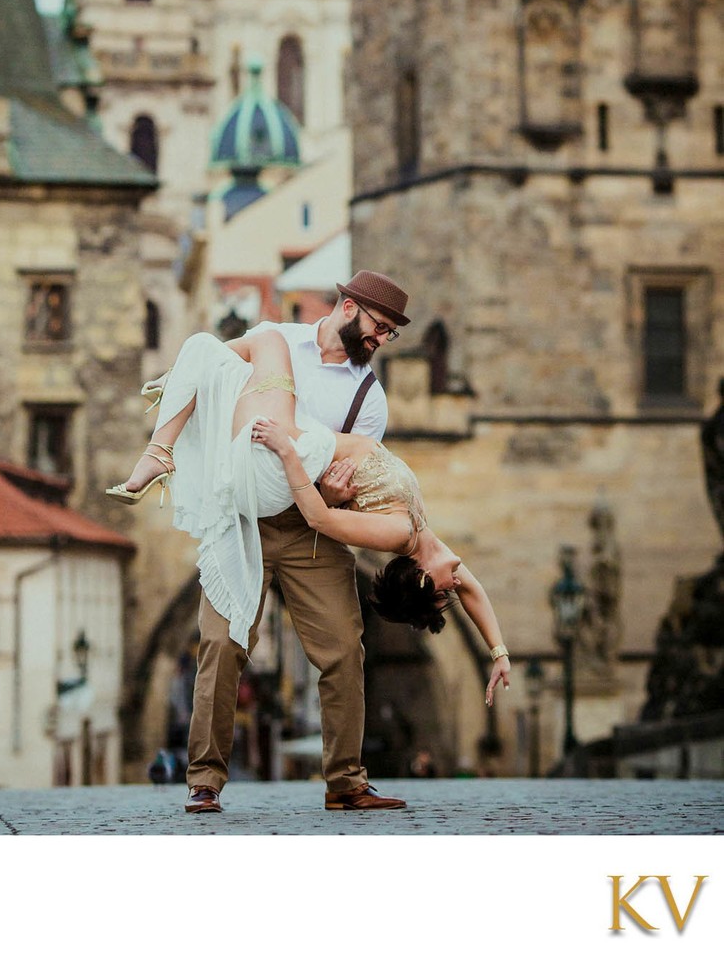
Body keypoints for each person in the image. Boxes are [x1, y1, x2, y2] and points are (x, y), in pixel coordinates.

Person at [110, 274, 511, 813]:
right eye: (380, 327)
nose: (381, 340)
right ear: (349, 308)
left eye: (390, 335)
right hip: (246, 514)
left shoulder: (369, 398)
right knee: (221, 644)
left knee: (345, 650)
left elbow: (348, 496)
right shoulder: (279, 338)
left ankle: (346, 780)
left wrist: (325, 491)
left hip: (311, 531)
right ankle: (204, 779)